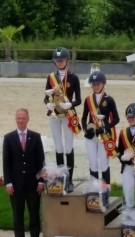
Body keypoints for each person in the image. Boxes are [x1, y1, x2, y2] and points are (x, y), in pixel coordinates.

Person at [3, 108, 45, 237]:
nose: (21, 120)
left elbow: (41, 161)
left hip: (33, 185)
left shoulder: (35, 137)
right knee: (17, 216)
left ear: (28, 119)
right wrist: (8, 183)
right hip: (16, 185)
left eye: (23, 118)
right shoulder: (8, 138)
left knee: (34, 215)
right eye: (18, 118)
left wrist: (41, 181)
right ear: (16, 119)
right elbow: (6, 163)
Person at [44, 47, 81, 193]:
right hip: (54, 115)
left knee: (68, 146)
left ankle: (70, 180)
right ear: (54, 61)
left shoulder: (73, 78)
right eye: (57, 60)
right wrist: (47, 103)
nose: (60, 62)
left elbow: (79, 99)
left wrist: (70, 104)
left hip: (68, 115)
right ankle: (61, 178)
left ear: (67, 60)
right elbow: (46, 95)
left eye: (62, 60)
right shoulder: (50, 77)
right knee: (58, 146)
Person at [81, 70, 120, 185]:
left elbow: (116, 119)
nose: (96, 86)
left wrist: (106, 128)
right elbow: (84, 118)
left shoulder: (109, 99)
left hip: (104, 135)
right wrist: (85, 128)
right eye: (93, 84)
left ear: (103, 83)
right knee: (93, 163)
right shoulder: (88, 100)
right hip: (91, 135)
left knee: (104, 163)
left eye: (98, 83)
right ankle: (94, 189)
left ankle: (105, 190)